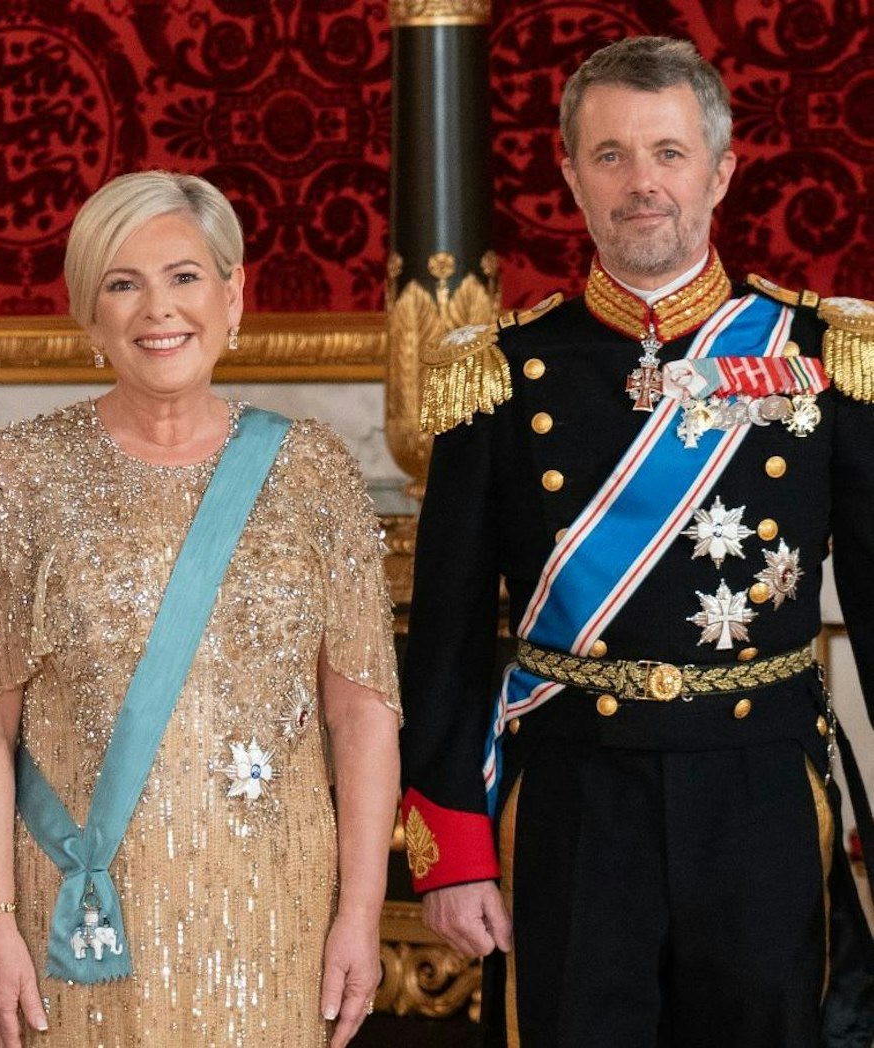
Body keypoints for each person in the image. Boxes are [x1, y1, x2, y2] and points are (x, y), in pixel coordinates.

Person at [403, 35, 874, 1047]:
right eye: (610, 155)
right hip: (573, 794)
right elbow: (442, 636)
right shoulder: (500, 375)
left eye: (667, 152)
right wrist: (451, 850)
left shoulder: (824, 358)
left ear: (720, 169)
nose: (641, 182)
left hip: (759, 789)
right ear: (570, 175)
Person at [0, 170, 401, 1048]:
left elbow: (363, 714)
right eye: (123, 283)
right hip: (75, 911)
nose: (159, 309)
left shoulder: (311, 471)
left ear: (233, 296)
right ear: (88, 314)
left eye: (184, 277)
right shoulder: (18, 475)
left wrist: (361, 911)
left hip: (277, 909)